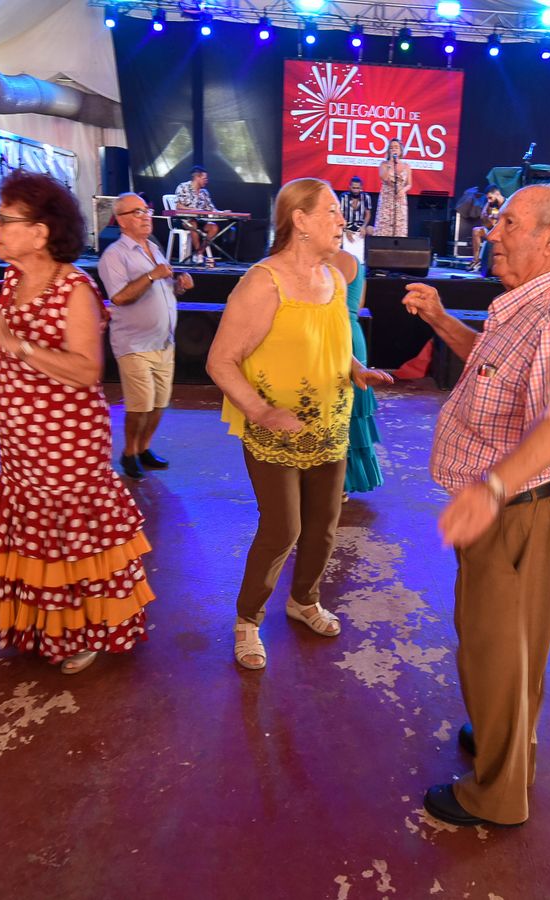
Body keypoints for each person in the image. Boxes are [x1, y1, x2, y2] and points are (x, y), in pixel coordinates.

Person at [401, 184, 550, 828]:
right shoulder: (525, 309)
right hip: (517, 504)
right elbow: (490, 367)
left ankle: (496, 792)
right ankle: (506, 737)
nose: (491, 231)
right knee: (513, 647)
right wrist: (439, 319)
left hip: (518, 506)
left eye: (507, 222)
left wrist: (490, 490)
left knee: (492, 647)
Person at [0, 171, 153, 676]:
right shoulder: (12, 281)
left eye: (5, 219)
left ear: (40, 232)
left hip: (67, 446)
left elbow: (87, 369)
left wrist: (13, 340)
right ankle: (46, 624)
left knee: (69, 538)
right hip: (21, 443)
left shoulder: (75, 290)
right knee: (35, 537)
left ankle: (84, 630)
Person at [207, 178, 394, 670]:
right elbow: (220, 361)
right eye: (331, 210)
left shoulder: (333, 277)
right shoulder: (262, 282)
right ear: (300, 220)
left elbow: (332, 339)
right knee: (282, 529)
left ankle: (303, 600)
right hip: (272, 429)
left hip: (331, 424)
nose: (341, 220)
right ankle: (248, 619)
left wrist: (357, 368)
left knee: (323, 528)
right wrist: (263, 411)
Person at [98, 192, 195, 481]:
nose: (145, 216)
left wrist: (180, 286)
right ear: (121, 221)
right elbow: (120, 297)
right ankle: (129, 452)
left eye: (146, 210)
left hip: (164, 342)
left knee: (159, 403)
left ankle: (144, 448)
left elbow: (164, 290)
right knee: (140, 405)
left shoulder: (153, 247)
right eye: (136, 212)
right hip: (134, 344)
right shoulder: (114, 255)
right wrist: (152, 276)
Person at [331, 247, 383, 496]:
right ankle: (343, 484)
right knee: (351, 410)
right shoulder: (354, 261)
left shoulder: (316, 261)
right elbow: (359, 303)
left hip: (332, 335)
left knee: (334, 408)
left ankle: (331, 483)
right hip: (353, 335)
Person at [172, 165, 222, 266]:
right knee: (193, 223)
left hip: (200, 220)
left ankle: (199, 253)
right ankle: (198, 254)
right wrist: (194, 210)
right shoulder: (183, 187)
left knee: (214, 227)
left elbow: (211, 209)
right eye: (204, 178)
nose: (206, 180)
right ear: (197, 177)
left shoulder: (204, 193)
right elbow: (178, 206)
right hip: (183, 220)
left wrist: (222, 212)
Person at [370, 140, 411, 238]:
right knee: (384, 228)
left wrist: (403, 190)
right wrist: (390, 164)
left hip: (400, 200)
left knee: (399, 229)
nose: (394, 149)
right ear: (388, 151)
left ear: (401, 150)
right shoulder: (383, 164)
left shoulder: (406, 166)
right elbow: (384, 178)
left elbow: (409, 184)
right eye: (391, 147)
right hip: (386, 199)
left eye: (396, 147)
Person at [458, 184, 504, 270]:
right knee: (476, 231)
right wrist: (486, 212)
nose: (489, 200)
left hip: (502, 233)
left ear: (497, 194)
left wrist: (494, 219)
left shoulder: (506, 204)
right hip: (493, 230)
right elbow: (485, 220)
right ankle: (476, 260)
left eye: (490, 198)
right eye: (487, 198)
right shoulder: (492, 204)